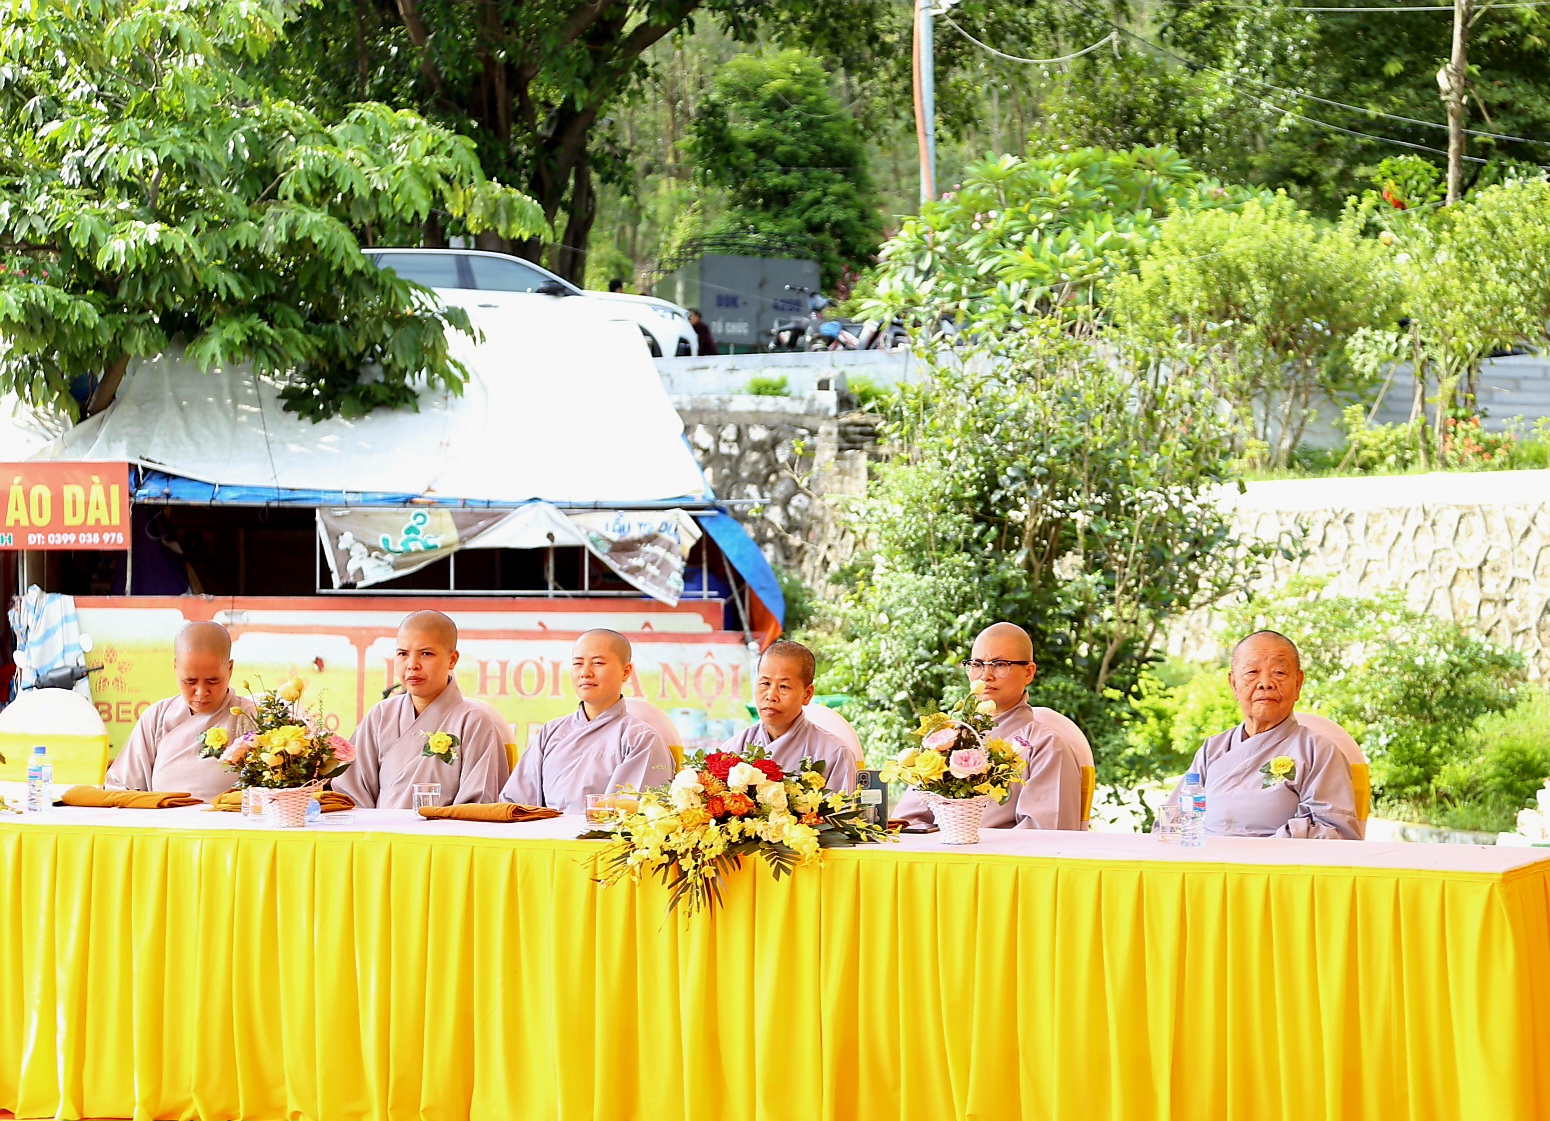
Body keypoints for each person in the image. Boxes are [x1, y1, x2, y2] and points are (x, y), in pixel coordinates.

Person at [1168, 630, 1359, 840]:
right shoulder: (1212, 749)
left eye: (1279, 672)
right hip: (1207, 859)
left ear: (1298, 684)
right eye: (1252, 672)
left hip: (1277, 860)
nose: (1265, 683)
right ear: (1234, 684)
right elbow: (1173, 822)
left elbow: (1334, 832)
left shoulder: (1319, 752)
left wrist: (1261, 849)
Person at [894, 622, 1084, 830]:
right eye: (977, 664)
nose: (985, 675)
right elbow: (905, 823)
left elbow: (1044, 836)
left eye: (1000, 664)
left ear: (1028, 673)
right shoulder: (948, 741)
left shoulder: (1045, 746)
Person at [332, 611, 509, 809]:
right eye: (403, 654)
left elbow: (478, 805)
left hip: (445, 830)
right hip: (378, 829)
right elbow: (351, 794)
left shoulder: (473, 723)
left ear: (452, 659)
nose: (412, 665)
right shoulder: (380, 716)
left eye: (426, 654)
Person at [501, 629, 674, 812]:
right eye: (578, 663)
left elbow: (632, 816)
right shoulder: (550, 732)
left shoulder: (641, 739)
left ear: (626, 671)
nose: (585, 672)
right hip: (543, 831)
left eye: (598, 663)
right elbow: (514, 805)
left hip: (599, 832)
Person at [105, 620, 254, 802]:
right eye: (190, 681)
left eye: (213, 681)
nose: (201, 692)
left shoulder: (251, 718)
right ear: (175, 668)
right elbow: (120, 786)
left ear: (229, 669)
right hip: (163, 819)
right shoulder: (157, 718)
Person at [718, 640, 857, 791]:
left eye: (784, 686)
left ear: (807, 694)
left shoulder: (834, 754)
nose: (771, 696)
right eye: (765, 683)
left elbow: (842, 805)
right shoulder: (732, 750)